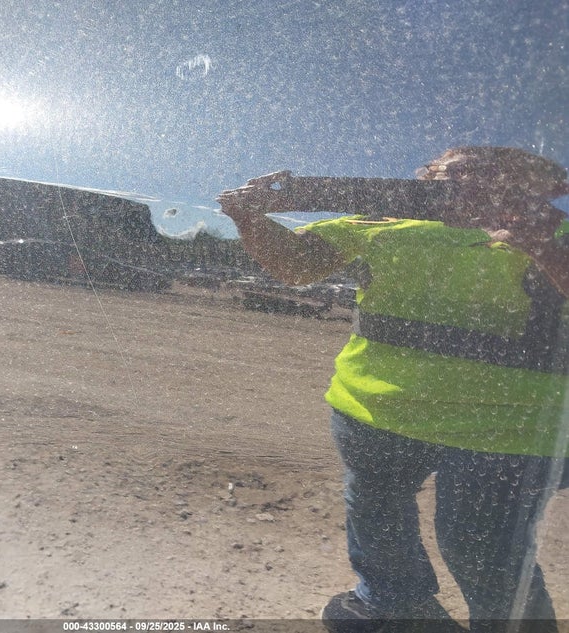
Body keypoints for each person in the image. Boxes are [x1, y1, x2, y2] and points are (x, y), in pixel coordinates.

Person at [218, 146, 569, 633]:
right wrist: (247, 218)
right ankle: (392, 606)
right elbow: (296, 265)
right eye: (446, 174)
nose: (463, 185)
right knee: (376, 514)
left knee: (481, 543)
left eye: (486, 175)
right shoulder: (380, 218)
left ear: (520, 186)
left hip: (510, 427)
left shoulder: (554, 228)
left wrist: (541, 243)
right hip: (373, 408)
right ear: (424, 180)